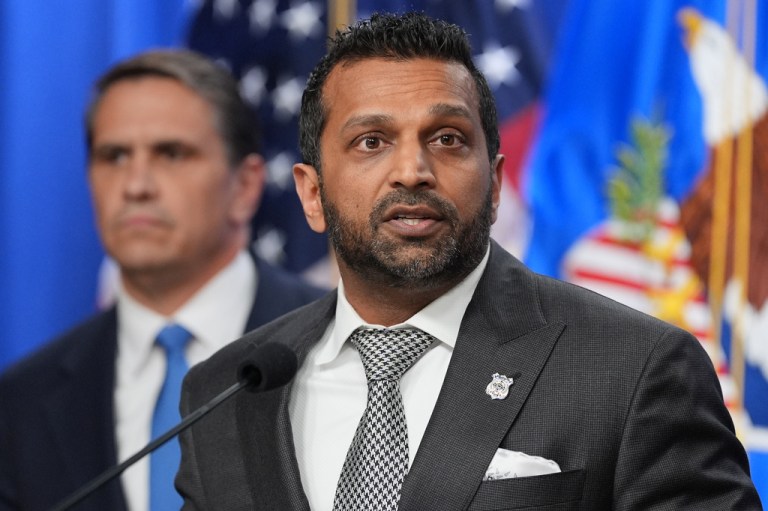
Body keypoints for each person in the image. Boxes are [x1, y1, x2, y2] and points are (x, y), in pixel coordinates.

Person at [176, 12, 763, 511]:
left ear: (497, 182)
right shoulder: (224, 391)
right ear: (310, 193)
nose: (412, 170)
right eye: (372, 142)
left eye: (448, 139)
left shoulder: (637, 369)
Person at [0, 49, 325, 511]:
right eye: (113, 156)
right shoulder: (21, 404)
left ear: (246, 186)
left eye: (171, 153)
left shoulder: (340, 342)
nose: (135, 185)